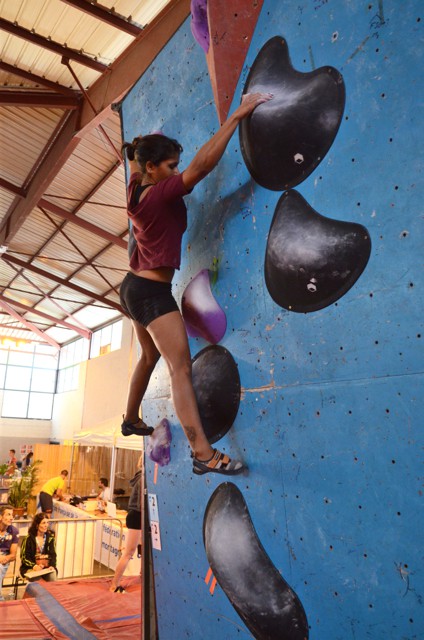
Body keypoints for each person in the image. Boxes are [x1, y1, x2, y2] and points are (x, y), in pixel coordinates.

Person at [120, 91, 273, 476]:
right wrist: (236, 116)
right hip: (151, 294)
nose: (177, 171)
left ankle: (130, 418)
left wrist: (136, 151)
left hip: (133, 287)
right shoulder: (157, 195)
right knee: (181, 369)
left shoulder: (135, 188)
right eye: (171, 166)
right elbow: (203, 166)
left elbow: (135, 162)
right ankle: (203, 454)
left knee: (150, 357)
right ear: (152, 168)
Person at [109, 458, 142, 593]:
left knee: (143, 549)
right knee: (129, 552)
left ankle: (142, 575)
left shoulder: (140, 477)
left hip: (138, 515)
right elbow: (141, 504)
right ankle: (114, 585)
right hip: (137, 516)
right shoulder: (142, 479)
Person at [20, 513, 57, 582]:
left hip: (46, 567)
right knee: (36, 577)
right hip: (31, 567)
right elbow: (24, 557)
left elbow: (53, 555)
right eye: (43, 523)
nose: (46, 525)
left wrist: (52, 566)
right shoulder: (28, 539)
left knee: (52, 574)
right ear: (37, 525)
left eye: (47, 522)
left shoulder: (50, 538)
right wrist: (35, 566)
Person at [0, 505, 18, 601]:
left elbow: (13, 555)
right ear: (0, 516)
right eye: (8, 514)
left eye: (12, 515)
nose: (11, 518)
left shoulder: (14, 531)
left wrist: (4, 558)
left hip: (4, 559)